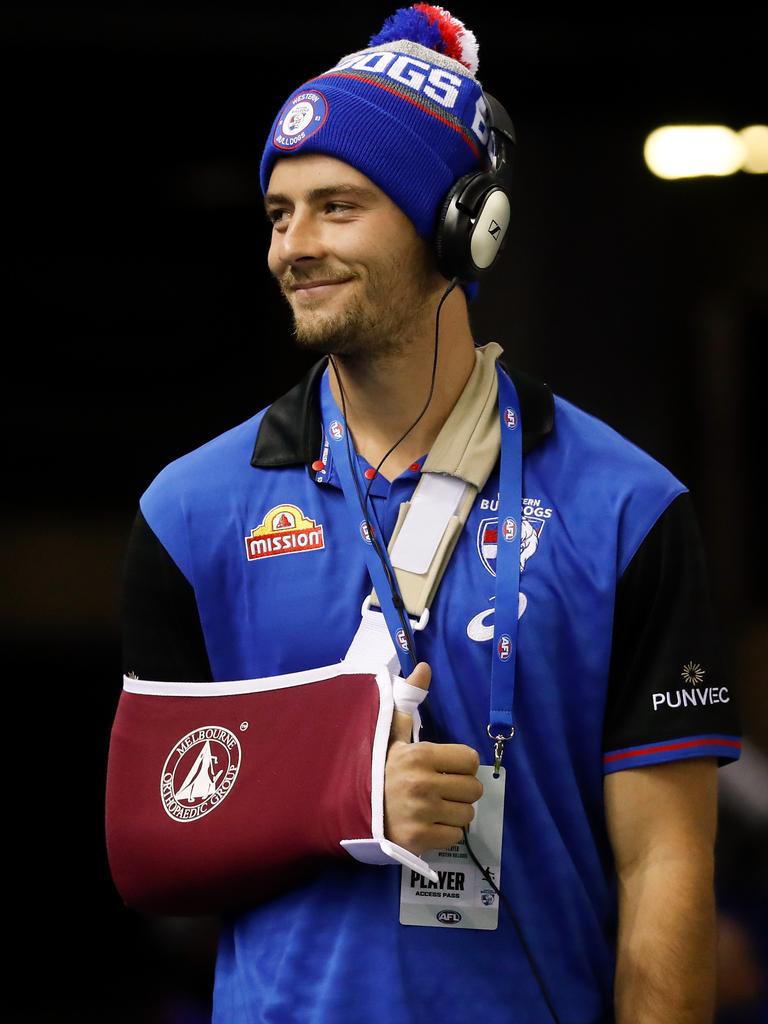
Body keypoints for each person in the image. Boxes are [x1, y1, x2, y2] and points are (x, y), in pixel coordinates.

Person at [107, 6, 743, 1022]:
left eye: (336, 206)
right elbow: (152, 846)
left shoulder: (627, 507)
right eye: (279, 213)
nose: (291, 247)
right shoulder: (192, 509)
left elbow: (665, 861)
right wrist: (347, 794)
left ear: (459, 221)